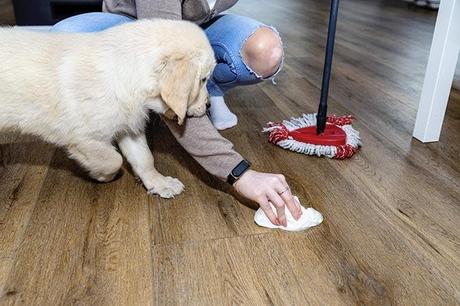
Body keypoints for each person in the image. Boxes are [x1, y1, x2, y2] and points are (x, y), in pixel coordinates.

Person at [51, 0, 301, 226]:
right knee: (64, 39)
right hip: (131, 24)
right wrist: (239, 172)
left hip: (197, 26)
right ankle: (143, 96)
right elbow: (169, 65)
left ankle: (205, 86)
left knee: (265, 49)